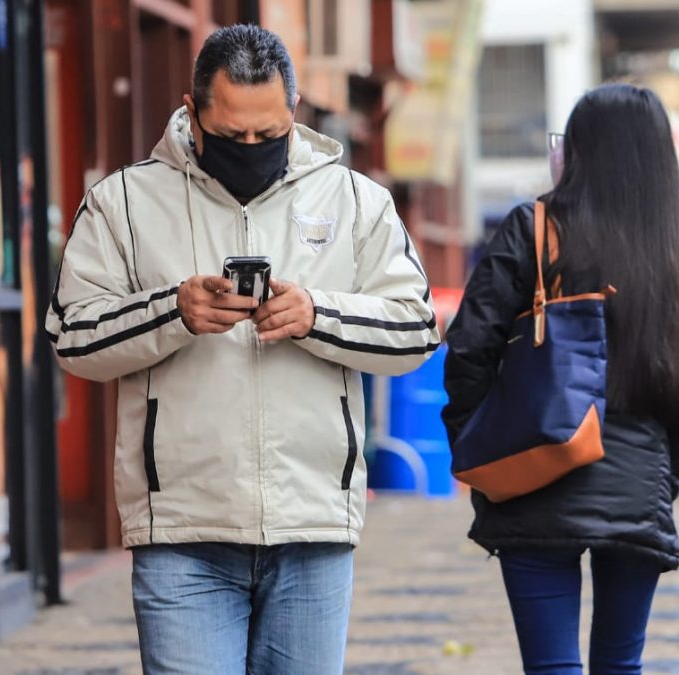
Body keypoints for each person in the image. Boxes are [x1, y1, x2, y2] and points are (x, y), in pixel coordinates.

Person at [46, 24, 438, 674]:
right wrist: (174, 310)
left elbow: (416, 330)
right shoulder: (122, 204)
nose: (252, 149)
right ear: (192, 111)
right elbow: (72, 336)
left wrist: (317, 313)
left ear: (294, 110)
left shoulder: (356, 202)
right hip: (183, 531)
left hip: (312, 522)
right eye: (233, 137)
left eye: (269, 134)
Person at [442, 83, 679, 673]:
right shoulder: (671, 245)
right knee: (621, 665)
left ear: (576, 150)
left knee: (550, 668)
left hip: (532, 469)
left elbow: (470, 347)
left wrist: (477, 445)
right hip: (639, 477)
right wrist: (666, 474)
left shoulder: (535, 227)